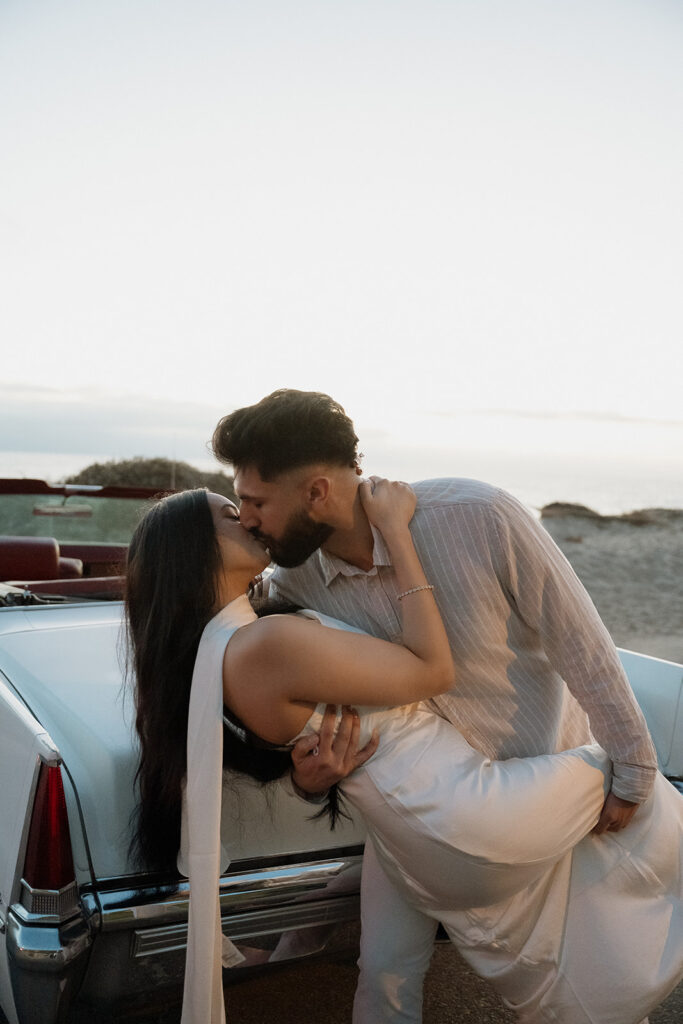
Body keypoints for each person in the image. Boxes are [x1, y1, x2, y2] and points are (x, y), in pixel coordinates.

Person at [125, 483, 683, 1024]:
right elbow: (433, 671)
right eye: (228, 513)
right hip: (454, 814)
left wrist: (308, 780)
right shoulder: (263, 645)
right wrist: (396, 533)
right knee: (625, 767)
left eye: (247, 504)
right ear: (192, 552)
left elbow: (285, 735)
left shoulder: (228, 643)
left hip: (400, 836)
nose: (246, 518)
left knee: (387, 973)